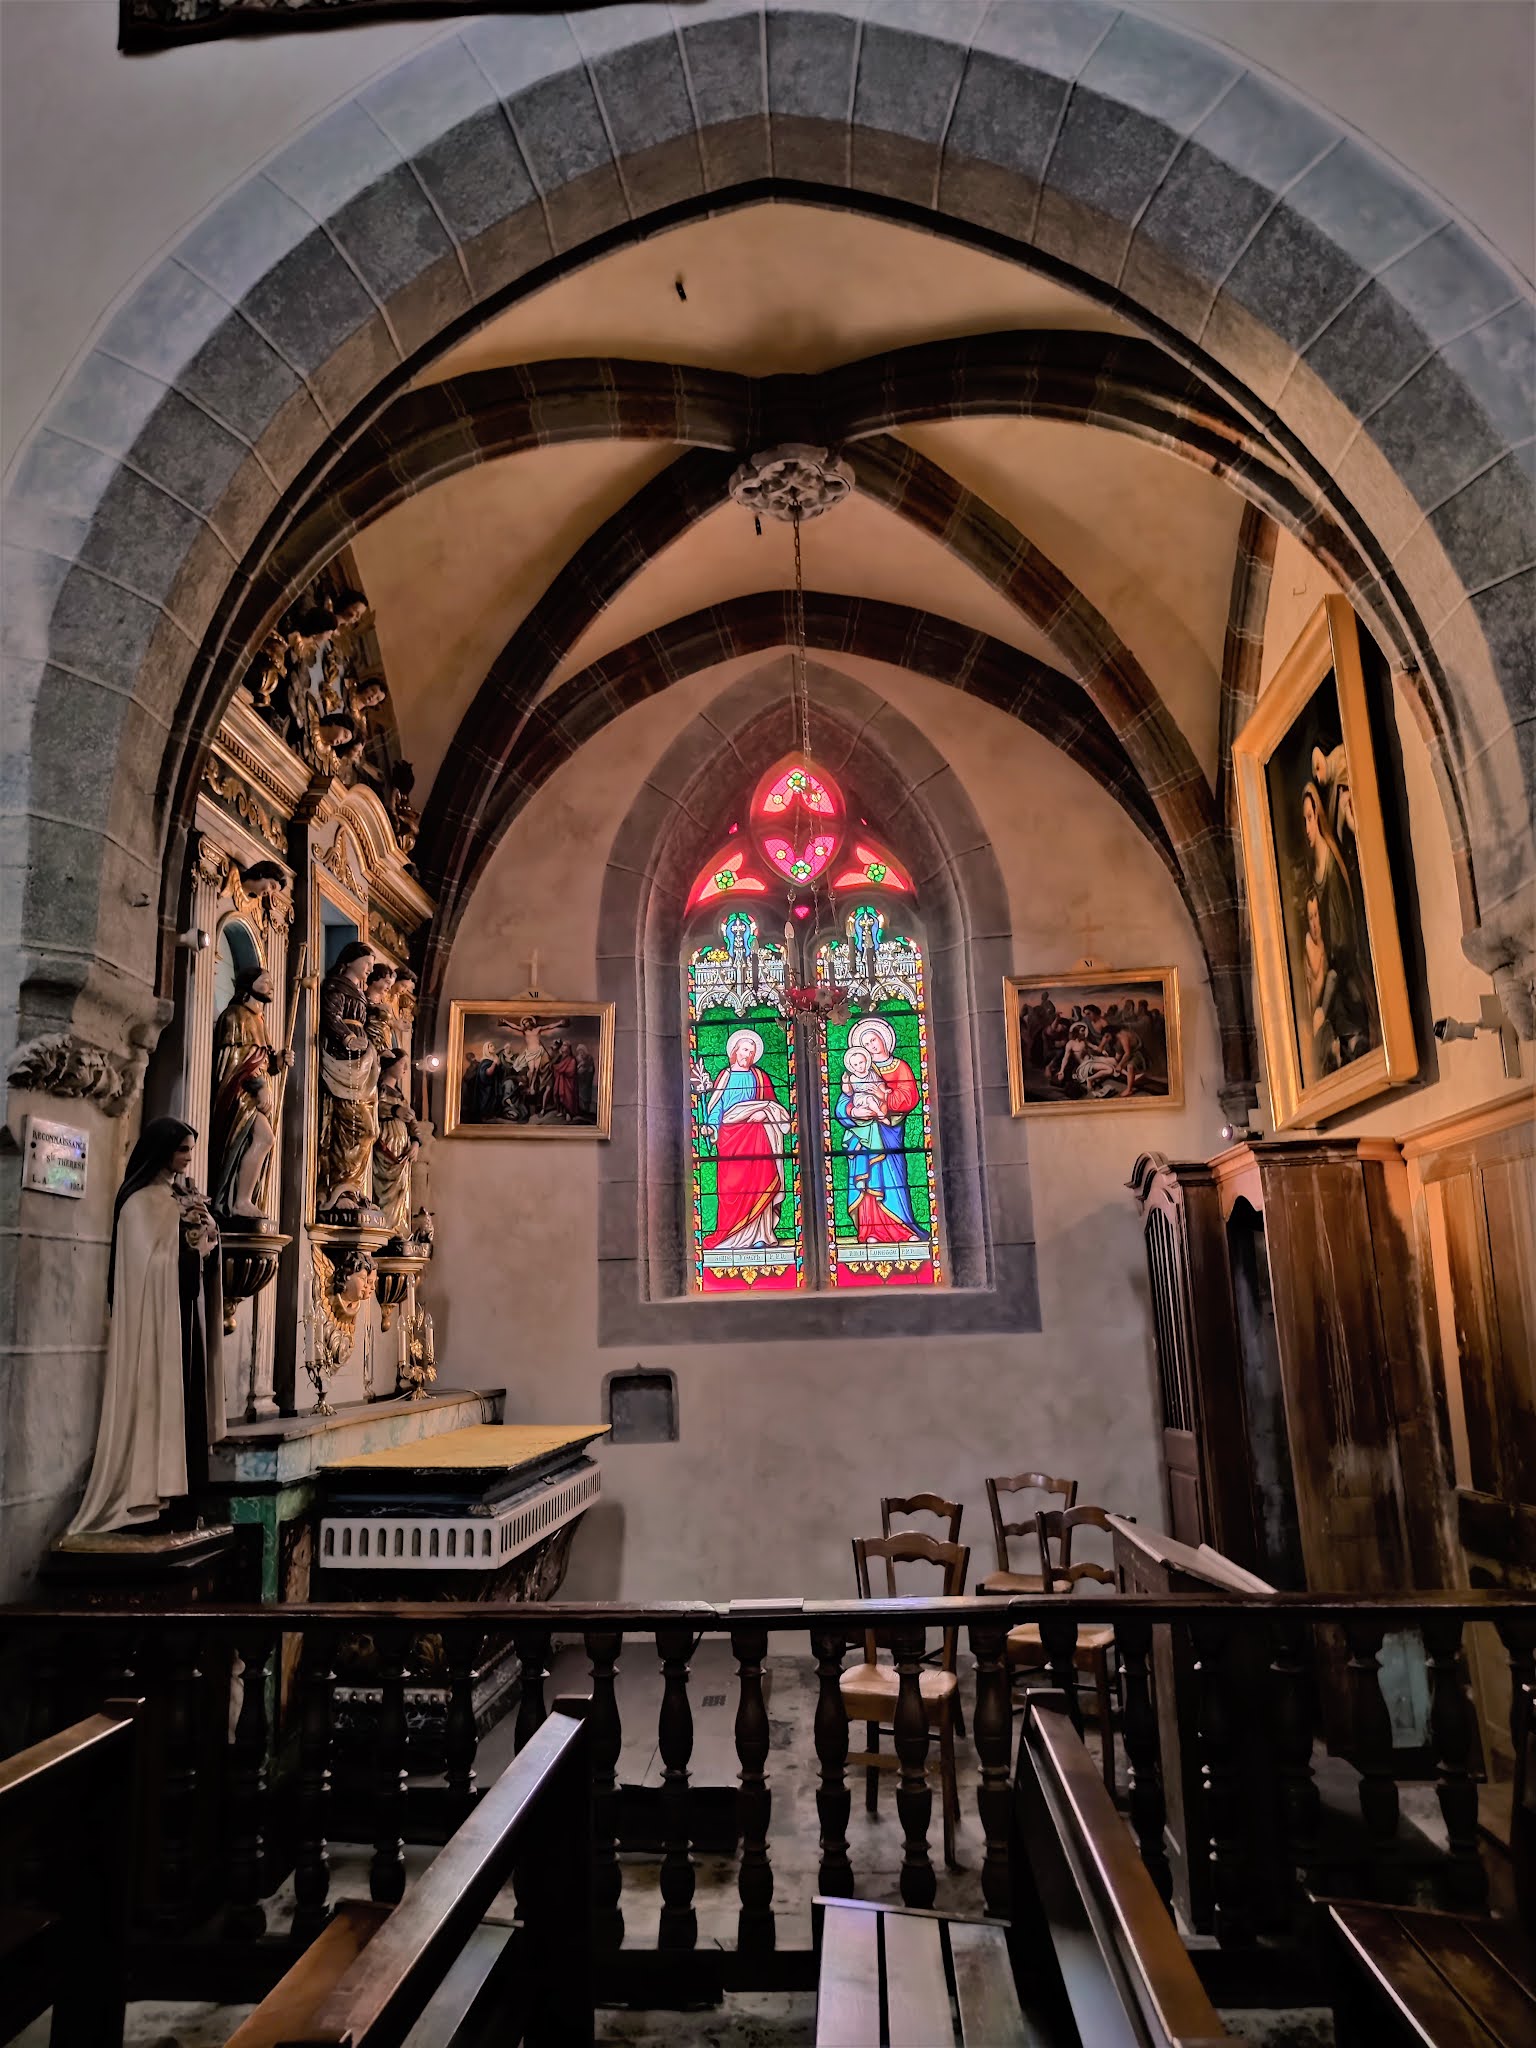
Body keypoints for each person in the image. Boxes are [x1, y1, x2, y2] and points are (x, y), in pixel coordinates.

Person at [66, 1119, 225, 1539]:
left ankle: (184, 1503)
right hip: (155, 1330)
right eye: (183, 1150)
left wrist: (209, 1238)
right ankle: (154, 1500)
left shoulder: (176, 1199)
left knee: (189, 1405)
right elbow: (147, 1268)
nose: (188, 1158)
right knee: (160, 1404)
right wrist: (193, 1251)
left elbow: (188, 1256)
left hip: (182, 1322)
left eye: (190, 1150)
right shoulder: (138, 1204)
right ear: (162, 1150)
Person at [691, 1029, 792, 1251]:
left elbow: (771, 1103)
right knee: (732, 1188)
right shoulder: (725, 1076)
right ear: (735, 1051)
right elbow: (717, 1106)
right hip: (731, 1138)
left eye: (751, 1051)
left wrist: (764, 1113)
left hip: (757, 1136)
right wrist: (711, 1126)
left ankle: (761, 1234)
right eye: (745, 1050)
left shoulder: (760, 1076)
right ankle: (730, 1236)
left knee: (762, 1182)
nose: (748, 1054)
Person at [209, 964, 291, 1220]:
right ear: (248, 984)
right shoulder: (235, 1016)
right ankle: (239, 1201)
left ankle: (243, 1199)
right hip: (240, 1095)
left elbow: (262, 1061)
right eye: (264, 981)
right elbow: (236, 1063)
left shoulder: (259, 1020)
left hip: (255, 1095)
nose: (271, 986)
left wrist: (278, 1061)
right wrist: (259, 1085)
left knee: (261, 1141)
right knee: (264, 1139)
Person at [839, 1016, 924, 1241]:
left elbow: (909, 1098)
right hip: (863, 1134)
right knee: (867, 1179)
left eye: (874, 1040)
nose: (871, 1046)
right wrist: (852, 1112)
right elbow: (843, 1103)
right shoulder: (859, 1071)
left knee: (893, 1178)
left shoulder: (900, 1067)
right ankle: (870, 1231)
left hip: (890, 1132)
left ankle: (903, 1229)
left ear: (884, 1039)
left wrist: (882, 1097)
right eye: (866, 1043)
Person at [316, 941, 380, 1216]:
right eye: (367, 963)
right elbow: (330, 1016)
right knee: (354, 1126)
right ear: (351, 960)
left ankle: (352, 1187)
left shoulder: (360, 994)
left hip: (360, 1061)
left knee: (369, 1130)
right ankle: (339, 1187)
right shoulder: (336, 986)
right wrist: (347, 1037)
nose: (370, 970)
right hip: (342, 1057)